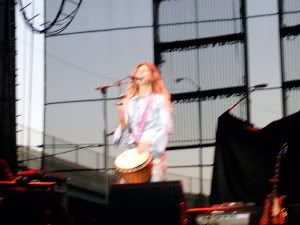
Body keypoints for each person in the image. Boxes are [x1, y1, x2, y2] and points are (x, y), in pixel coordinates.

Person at [113, 61, 173, 182]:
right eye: (138, 71)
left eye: (144, 71)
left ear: (152, 75)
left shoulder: (159, 99)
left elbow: (166, 126)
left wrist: (150, 142)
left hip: (153, 158)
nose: (139, 73)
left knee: (152, 194)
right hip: (133, 159)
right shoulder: (129, 102)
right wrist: (122, 116)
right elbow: (122, 135)